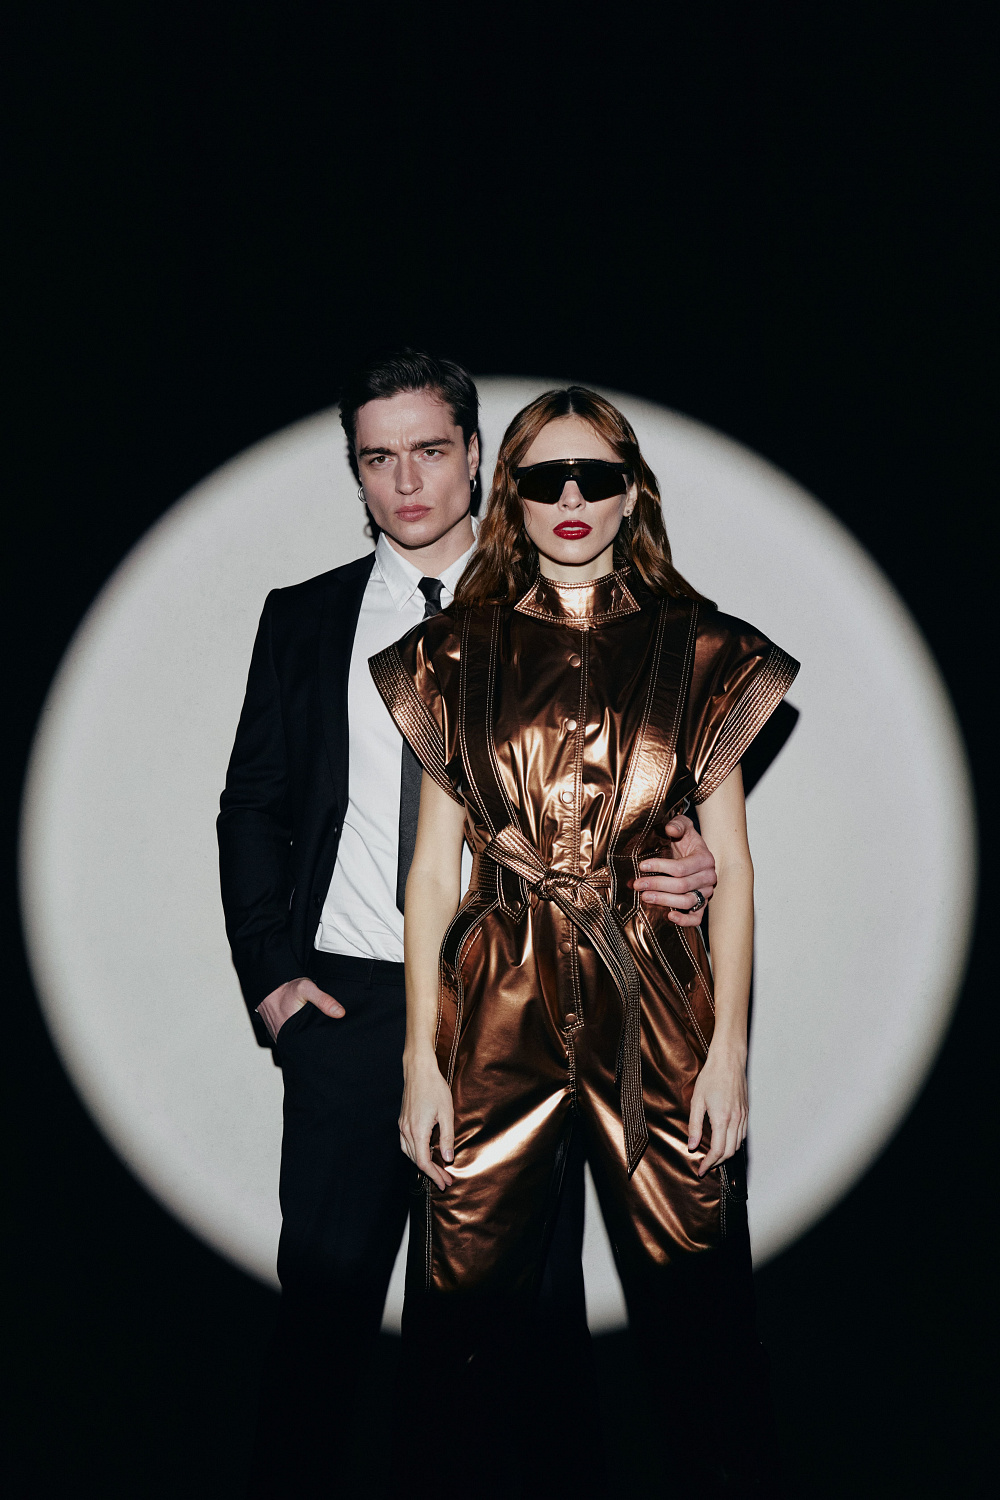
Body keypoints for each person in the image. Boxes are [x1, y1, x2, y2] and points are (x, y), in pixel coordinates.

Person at [217, 352, 720, 1498]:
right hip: (350, 1004)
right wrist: (275, 981)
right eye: (377, 457)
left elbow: (647, 797)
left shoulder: (565, 612)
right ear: (355, 470)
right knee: (325, 1317)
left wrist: (680, 859)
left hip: (526, 1003)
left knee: (524, 1334)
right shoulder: (302, 620)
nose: (406, 481)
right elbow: (253, 806)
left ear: (477, 457)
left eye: (430, 451)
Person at [372, 385, 798, 1498]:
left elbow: (735, 864)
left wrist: (728, 1054)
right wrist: (420, 1059)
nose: (571, 496)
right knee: (460, 1316)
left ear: (629, 494)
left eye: (596, 476)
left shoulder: (702, 648)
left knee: (702, 1313)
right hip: (491, 1002)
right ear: (508, 495)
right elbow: (432, 872)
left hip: (655, 1001)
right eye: (544, 477)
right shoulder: (448, 654)